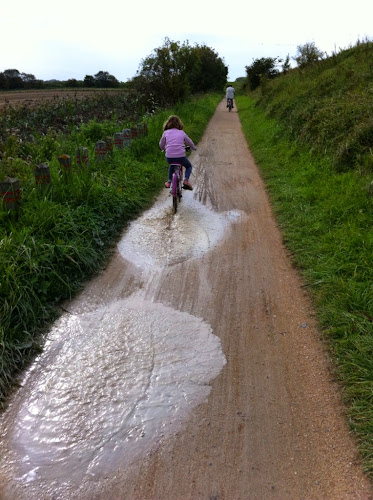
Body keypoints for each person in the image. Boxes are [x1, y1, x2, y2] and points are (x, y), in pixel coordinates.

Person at [159, 115, 197, 190]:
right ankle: (186, 180)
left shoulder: (166, 133)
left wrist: (163, 148)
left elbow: (161, 144)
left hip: (169, 157)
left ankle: (169, 182)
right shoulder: (181, 132)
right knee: (188, 166)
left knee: (172, 165)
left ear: (167, 124)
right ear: (179, 124)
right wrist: (193, 147)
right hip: (181, 157)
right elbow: (189, 142)